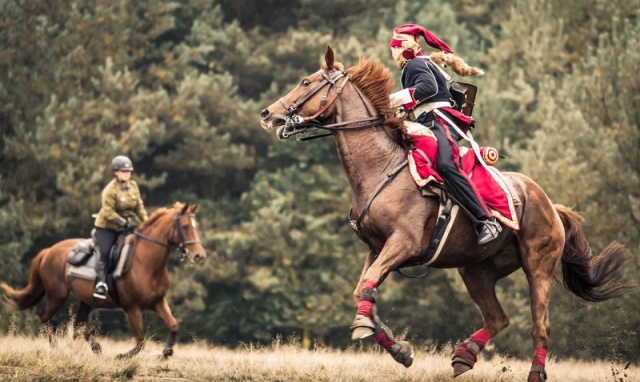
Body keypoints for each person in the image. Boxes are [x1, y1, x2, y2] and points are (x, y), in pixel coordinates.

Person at [388, 23, 502, 245]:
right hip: (427, 122)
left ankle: (487, 219)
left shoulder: (414, 65)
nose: (392, 53)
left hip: (439, 121)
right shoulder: (419, 64)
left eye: (394, 48)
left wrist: (394, 99)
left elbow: (428, 88)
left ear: (403, 47)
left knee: (446, 165)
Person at [92, 155, 148, 299]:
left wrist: (148, 222)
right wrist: (125, 223)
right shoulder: (109, 190)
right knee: (106, 252)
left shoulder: (133, 186)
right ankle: (101, 283)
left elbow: (139, 207)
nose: (127, 174)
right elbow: (108, 212)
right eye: (123, 171)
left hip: (125, 227)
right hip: (107, 227)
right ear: (116, 172)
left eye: (129, 171)